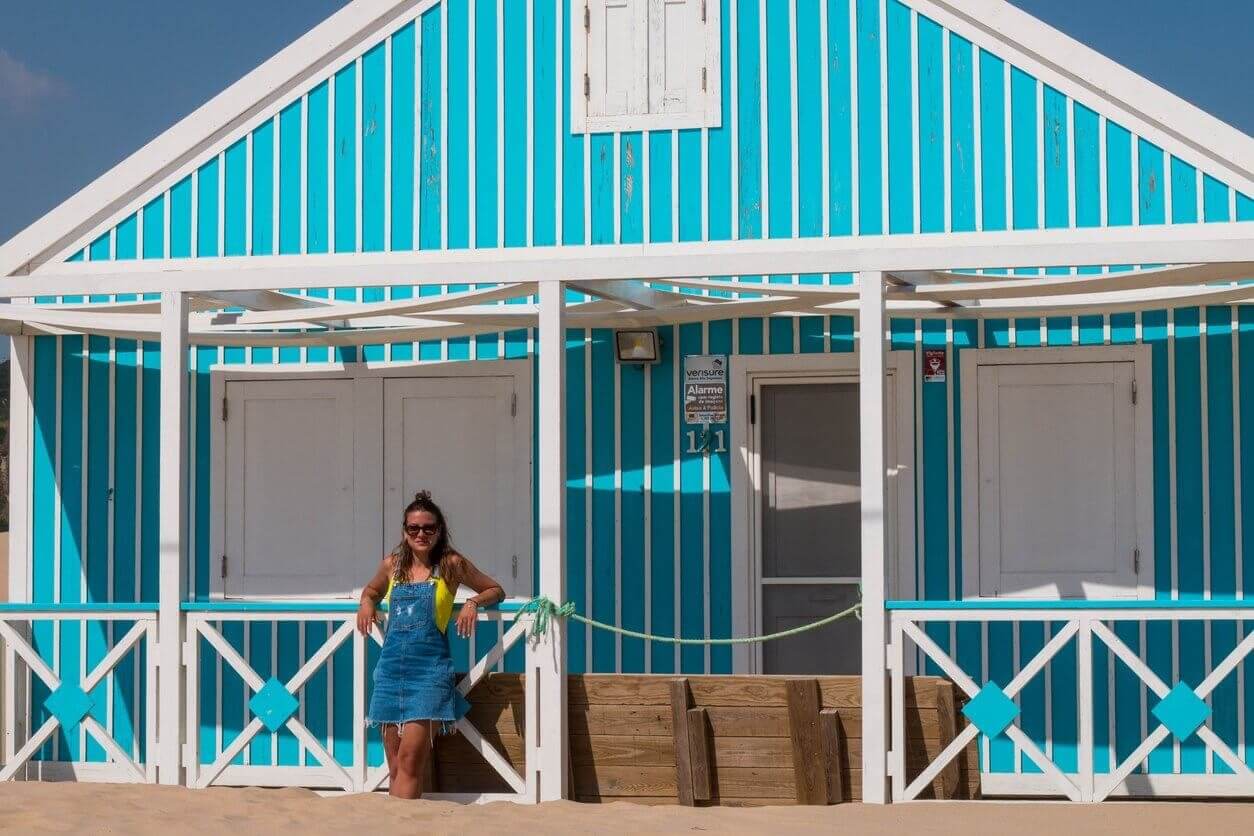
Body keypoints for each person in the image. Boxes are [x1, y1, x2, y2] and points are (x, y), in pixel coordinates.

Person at [356, 490, 505, 799]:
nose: (421, 534)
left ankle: (403, 820)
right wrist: (366, 602)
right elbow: (371, 590)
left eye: (428, 528)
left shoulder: (451, 564)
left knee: (410, 760)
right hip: (390, 672)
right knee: (394, 765)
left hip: (428, 673)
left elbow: (495, 589)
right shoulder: (392, 565)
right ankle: (397, 820)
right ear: (404, 531)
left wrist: (473, 602)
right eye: (414, 528)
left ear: (439, 530)